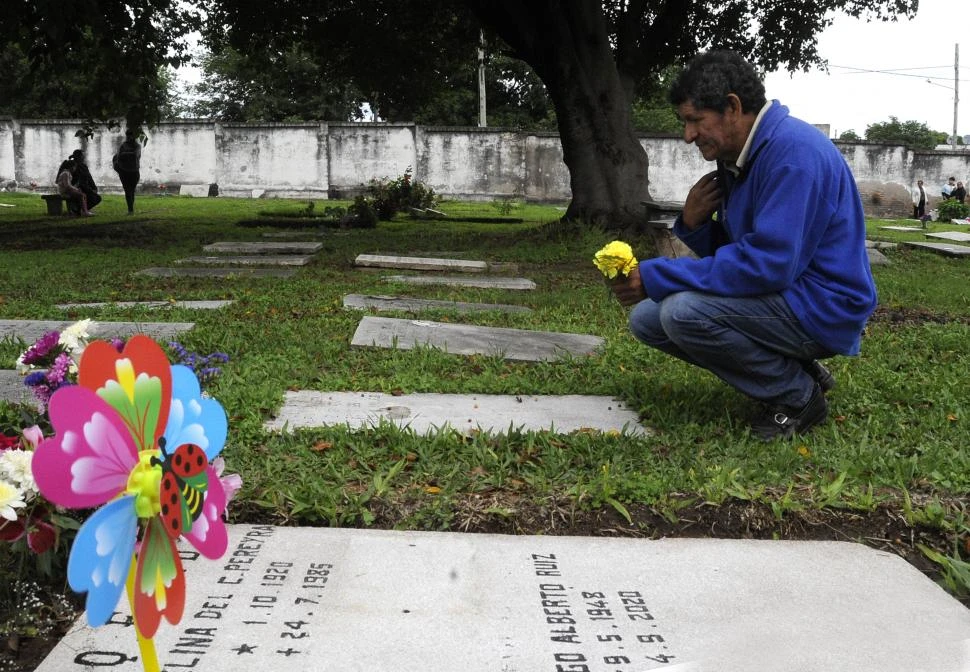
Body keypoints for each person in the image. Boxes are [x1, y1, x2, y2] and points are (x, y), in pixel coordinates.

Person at [609, 50, 877, 440]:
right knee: (647, 319)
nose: (687, 136)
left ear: (732, 107)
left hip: (824, 306)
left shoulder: (793, 156)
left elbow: (767, 264)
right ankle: (800, 372)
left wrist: (656, 274)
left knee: (682, 313)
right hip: (789, 293)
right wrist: (695, 224)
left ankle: (799, 397)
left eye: (695, 120)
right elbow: (741, 252)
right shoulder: (743, 156)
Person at [113, 129, 142, 214]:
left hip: (134, 171)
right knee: (127, 190)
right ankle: (130, 210)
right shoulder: (123, 145)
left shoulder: (137, 146)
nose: (129, 137)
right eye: (128, 135)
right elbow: (118, 156)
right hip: (124, 171)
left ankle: (131, 209)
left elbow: (135, 155)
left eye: (131, 135)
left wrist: (125, 154)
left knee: (131, 191)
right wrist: (129, 154)